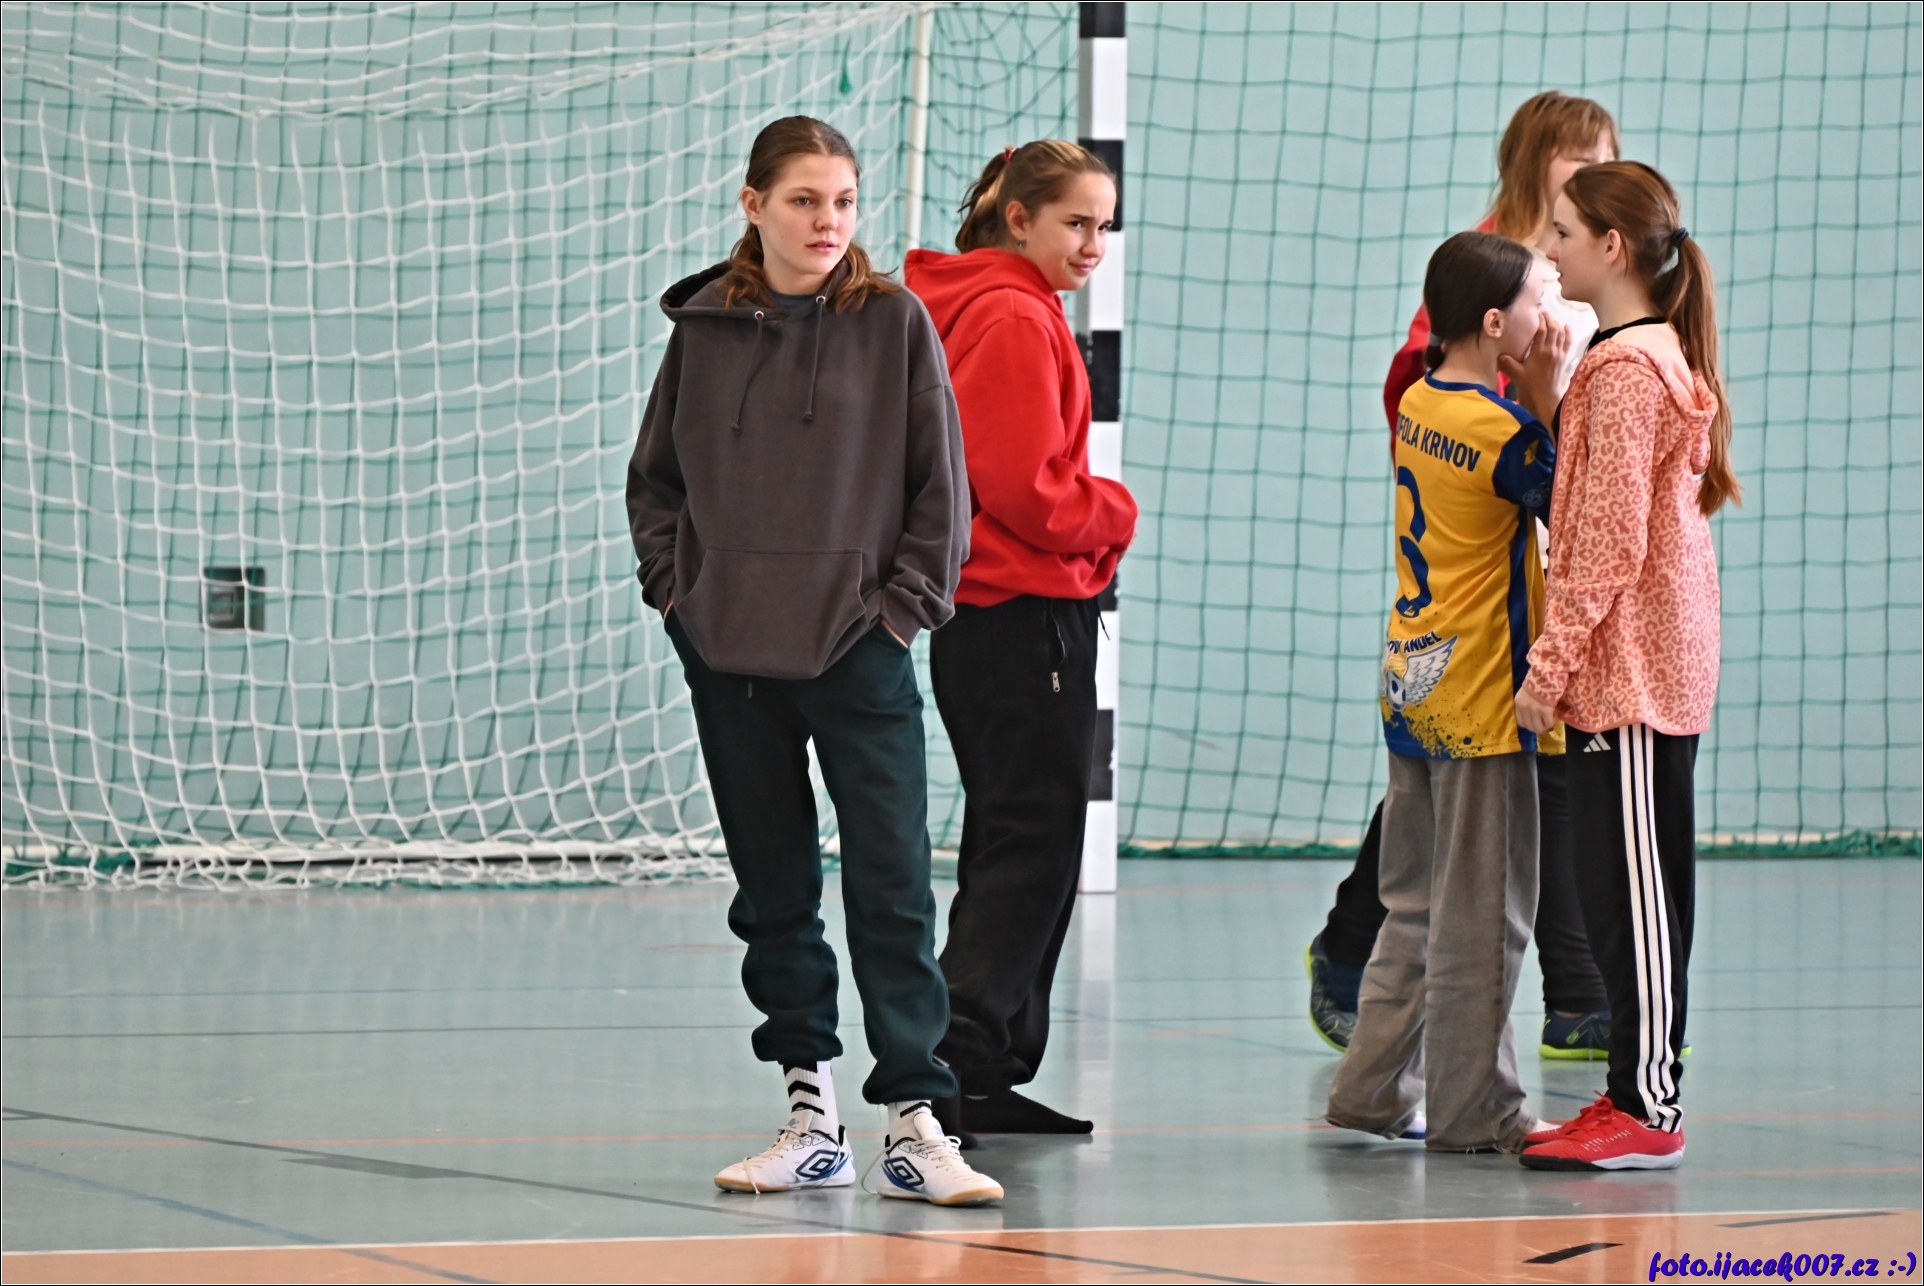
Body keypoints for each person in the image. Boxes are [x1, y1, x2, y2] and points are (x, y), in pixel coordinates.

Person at [625, 116, 1001, 1206]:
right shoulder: (702, 330)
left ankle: (916, 1122)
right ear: (754, 206)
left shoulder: (894, 323)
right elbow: (655, 482)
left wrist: (898, 617)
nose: (826, 221)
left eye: (842, 200)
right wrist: (681, 598)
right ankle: (810, 1117)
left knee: (893, 887)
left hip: (858, 653)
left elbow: (941, 490)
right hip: (729, 656)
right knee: (774, 889)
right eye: (802, 200)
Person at [1307, 90, 1619, 1061]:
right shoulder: (1492, 273)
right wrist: (1528, 414)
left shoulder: (1588, 270)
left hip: (1542, 558)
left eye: (1604, 159)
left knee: (1530, 771)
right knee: (1457, 778)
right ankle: (1352, 953)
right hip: (1477, 573)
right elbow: (1424, 385)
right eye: (1577, 162)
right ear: (1533, 166)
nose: (1594, 175)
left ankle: (1572, 994)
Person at [904, 141, 1137, 1147]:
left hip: (1003, 615)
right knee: (1029, 842)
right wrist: (1114, 512)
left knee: (1021, 836)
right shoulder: (1007, 314)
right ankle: (959, 1061)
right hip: (1019, 613)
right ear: (1018, 218)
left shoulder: (1000, 303)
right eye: (1075, 222)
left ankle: (983, 1063)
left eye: (1103, 226)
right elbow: (1026, 487)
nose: (1092, 244)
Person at [1517, 161, 1732, 1172]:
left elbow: (1602, 544)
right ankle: (1625, 1090)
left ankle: (1648, 1104)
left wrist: (1548, 665)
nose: (1548, 248)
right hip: (1628, 671)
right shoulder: (1630, 355)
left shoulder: (1628, 368)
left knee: (1637, 894)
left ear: (1611, 247)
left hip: (1634, 675)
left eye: (1563, 232)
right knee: (1613, 890)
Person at [1325, 231, 1557, 1153]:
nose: (1548, 319)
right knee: (1485, 920)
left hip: (1412, 681)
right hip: (1481, 698)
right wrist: (1550, 394)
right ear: (1496, 323)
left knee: (1415, 905)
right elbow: (1577, 501)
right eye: (1537, 302)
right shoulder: (1502, 432)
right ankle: (1478, 1111)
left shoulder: (1421, 398)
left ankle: (1373, 1088)